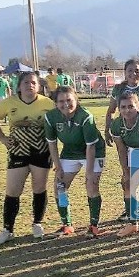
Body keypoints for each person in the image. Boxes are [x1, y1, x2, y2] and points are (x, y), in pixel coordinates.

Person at [0, 71, 54, 244]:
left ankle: (37, 223)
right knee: (13, 191)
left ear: (38, 86)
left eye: (33, 82)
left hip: (41, 151)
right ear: (19, 85)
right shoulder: (9, 103)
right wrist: (2, 138)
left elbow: (59, 120)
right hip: (18, 152)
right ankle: (8, 229)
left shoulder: (48, 103)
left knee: (39, 188)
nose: (29, 85)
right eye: (26, 82)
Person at [45, 86, 107, 238]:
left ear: (76, 100)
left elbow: (91, 146)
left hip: (93, 152)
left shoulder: (85, 116)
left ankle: (94, 225)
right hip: (70, 152)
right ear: (55, 103)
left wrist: (89, 171)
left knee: (91, 185)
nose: (65, 104)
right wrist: (58, 166)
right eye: (61, 101)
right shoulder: (50, 117)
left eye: (69, 100)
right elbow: (52, 143)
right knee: (60, 186)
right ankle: (67, 224)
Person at [110, 91, 139, 237]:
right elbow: (121, 150)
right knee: (127, 183)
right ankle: (132, 222)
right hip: (133, 152)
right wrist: (125, 171)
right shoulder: (117, 124)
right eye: (123, 107)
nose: (127, 110)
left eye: (131, 106)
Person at [104, 59, 139, 148]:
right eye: (130, 71)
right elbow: (111, 111)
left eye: (137, 71)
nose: (134, 74)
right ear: (125, 73)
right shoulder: (118, 89)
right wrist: (107, 130)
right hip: (126, 133)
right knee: (126, 158)